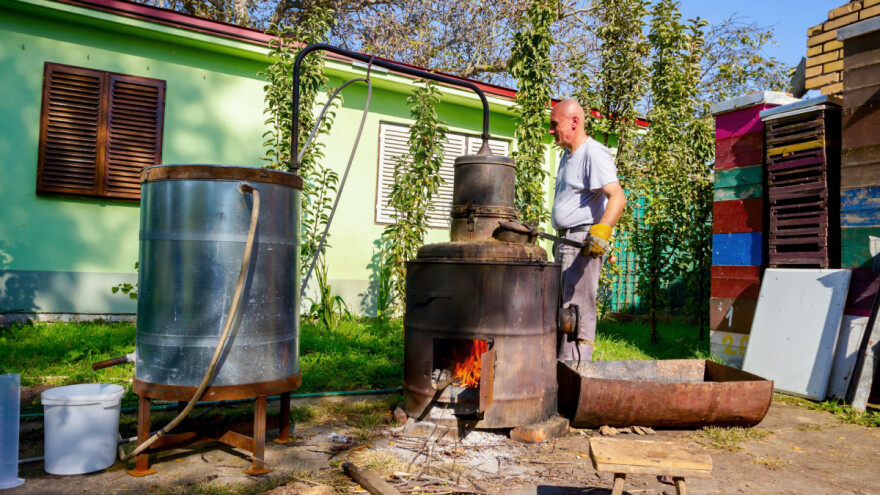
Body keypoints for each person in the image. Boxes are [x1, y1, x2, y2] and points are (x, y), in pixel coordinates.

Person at [548, 99, 626, 361]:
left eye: (554, 124)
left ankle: (576, 371)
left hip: (581, 241)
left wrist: (601, 233)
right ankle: (562, 370)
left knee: (577, 310)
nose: (550, 130)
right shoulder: (566, 156)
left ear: (574, 122)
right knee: (563, 309)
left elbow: (618, 196)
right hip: (565, 241)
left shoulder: (593, 152)